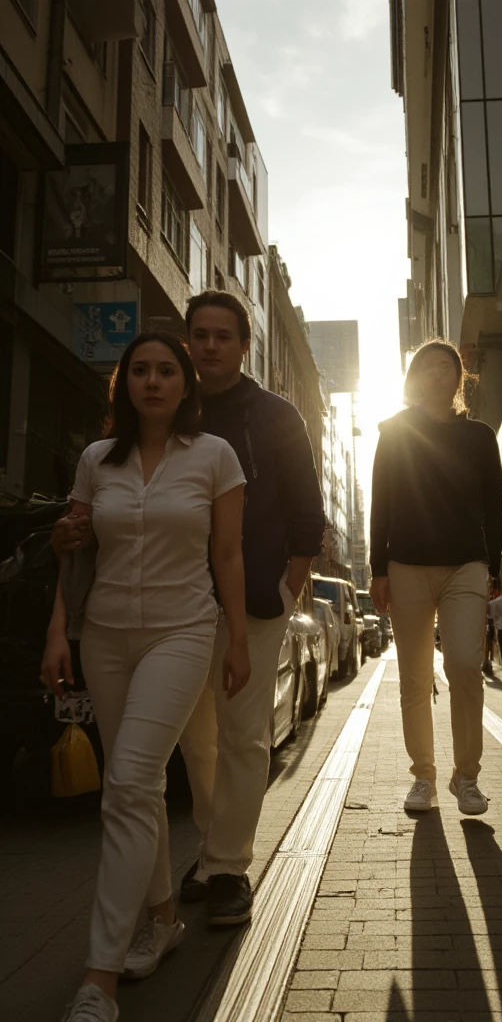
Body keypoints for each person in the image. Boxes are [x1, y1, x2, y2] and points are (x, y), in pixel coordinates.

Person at [54, 291, 326, 948]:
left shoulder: (275, 416)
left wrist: (286, 591)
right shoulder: (158, 413)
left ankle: (229, 866)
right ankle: (211, 847)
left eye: (222, 336)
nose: (208, 346)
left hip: (250, 604)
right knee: (193, 743)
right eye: (198, 334)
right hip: (168, 608)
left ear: (242, 345)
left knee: (240, 736)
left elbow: (305, 514)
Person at [41, 333, 248, 1022]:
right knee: (141, 786)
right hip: (103, 636)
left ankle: (98, 978)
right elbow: (75, 549)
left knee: (127, 782)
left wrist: (238, 638)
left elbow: (227, 554)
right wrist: (56, 632)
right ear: (124, 383)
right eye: (140, 371)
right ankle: (161, 916)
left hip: (182, 630)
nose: (153, 381)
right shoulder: (97, 459)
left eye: (166, 371)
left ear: (186, 385)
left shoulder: (215, 457)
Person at [369, 340, 502, 816]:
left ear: (458, 378)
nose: (435, 373)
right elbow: (380, 500)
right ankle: (422, 775)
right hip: (405, 564)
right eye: (426, 367)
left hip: (466, 562)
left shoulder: (481, 438)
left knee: (466, 665)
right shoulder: (394, 431)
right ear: (414, 378)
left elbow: (493, 507)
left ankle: (466, 776)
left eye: (445, 366)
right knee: (414, 676)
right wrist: (377, 568)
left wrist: (496, 568)